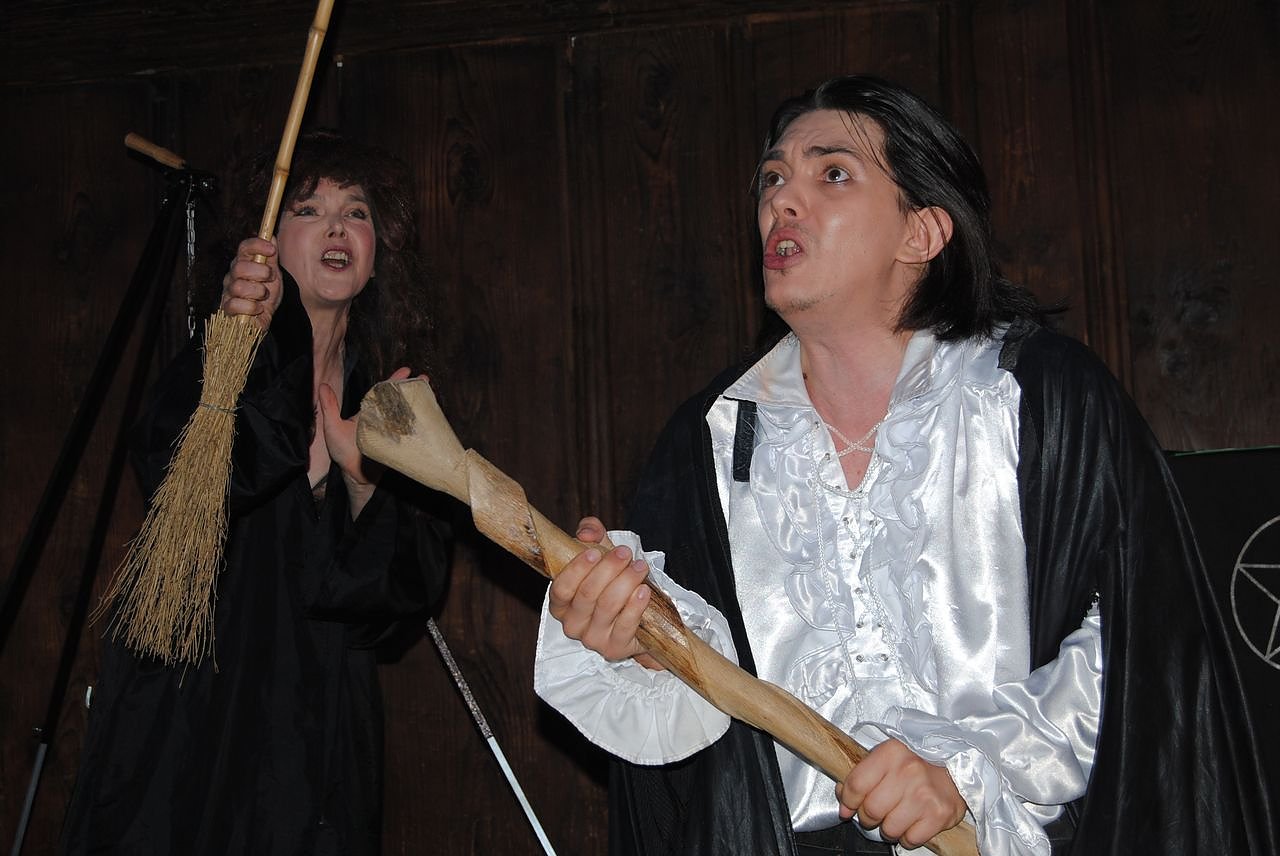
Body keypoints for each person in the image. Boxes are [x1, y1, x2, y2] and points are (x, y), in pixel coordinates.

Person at [533, 76, 1276, 856]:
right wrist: (636, 638)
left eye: (832, 173)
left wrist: (967, 770)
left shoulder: (1036, 398)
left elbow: (1138, 640)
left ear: (921, 233)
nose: (783, 202)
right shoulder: (708, 442)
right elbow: (698, 741)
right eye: (773, 179)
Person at [62, 131, 449, 856]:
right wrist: (254, 334)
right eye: (308, 209)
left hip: (316, 746)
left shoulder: (394, 402)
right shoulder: (220, 362)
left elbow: (399, 606)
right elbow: (176, 470)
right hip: (196, 723)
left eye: (357, 212)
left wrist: (362, 480)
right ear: (266, 244)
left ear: (378, 253)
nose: (337, 227)